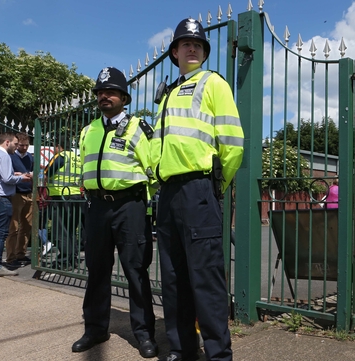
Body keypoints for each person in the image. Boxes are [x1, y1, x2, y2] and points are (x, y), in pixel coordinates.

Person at [154, 18, 244, 361]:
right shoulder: (167, 95)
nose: (192, 47)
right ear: (175, 52)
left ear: (204, 53)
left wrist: (216, 185)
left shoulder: (213, 84)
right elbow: (158, 149)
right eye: (185, 43)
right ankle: (181, 348)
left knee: (206, 278)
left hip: (198, 189)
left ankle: (219, 354)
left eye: (198, 44)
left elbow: (233, 143)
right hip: (168, 193)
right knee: (173, 277)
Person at [73, 66, 157, 359]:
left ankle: (144, 333)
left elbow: (155, 169)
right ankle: (95, 329)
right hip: (97, 207)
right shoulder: (88, 130)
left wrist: (142, 200)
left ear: (124, 97)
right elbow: (84, 166)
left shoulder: (140, 128)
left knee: (135, 270)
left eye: (110, 92)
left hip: (129, 206)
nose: (103, 96)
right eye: (99, 92)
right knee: (96, 270)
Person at [0, 133, 32, 277]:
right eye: (15, 144)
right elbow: (7, 178)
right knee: (1, 234)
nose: (17, 147)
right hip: (1, 199)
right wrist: (21, 177)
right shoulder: (4, 156)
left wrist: (13, 174)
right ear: (7, 142)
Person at [45, 135, 83, 270]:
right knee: (71, 230)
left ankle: (64, 261)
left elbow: (46, 173)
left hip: (61, 197)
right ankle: (73, 259)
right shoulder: (76, 158)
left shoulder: (60, 157)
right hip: (76, 197)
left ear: (57, 146)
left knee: (60, 232)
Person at [3, 133, 34, 268]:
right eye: (22, 145)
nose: (25, 147)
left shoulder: (30, 158)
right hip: (16, 194)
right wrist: (20, 175)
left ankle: (21, 253)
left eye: (27, 145)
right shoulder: (10, 157)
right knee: (13, 227)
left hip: (29, 193)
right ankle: (11, 257)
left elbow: (33, 172)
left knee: (27, 226)